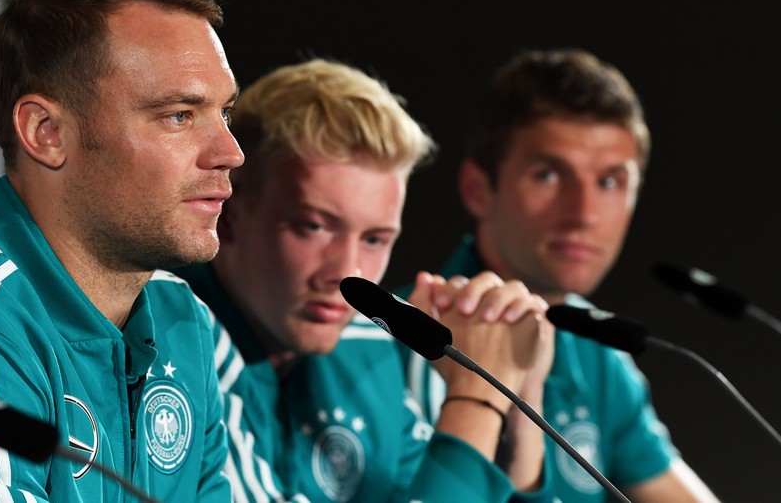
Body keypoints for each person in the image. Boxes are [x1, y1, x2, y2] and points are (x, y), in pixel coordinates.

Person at [0, 0, 242, 501]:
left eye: (223, 113)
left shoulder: (186, 319)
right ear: (45, 132)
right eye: (179, 115)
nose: (229, 152)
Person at [174, 58, 554, 502]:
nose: (347, 273)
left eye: (375, 239)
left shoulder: (366, 343)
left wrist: (522, 404)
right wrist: (476, 399)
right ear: (231, 215)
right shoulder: (174, 340)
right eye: (313, 227)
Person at [400, 48, 719, 501]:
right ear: (477, 190)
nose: (584, 214)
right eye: (549, 176)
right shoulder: (397, 343)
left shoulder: (599, 352)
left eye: (609, 182)